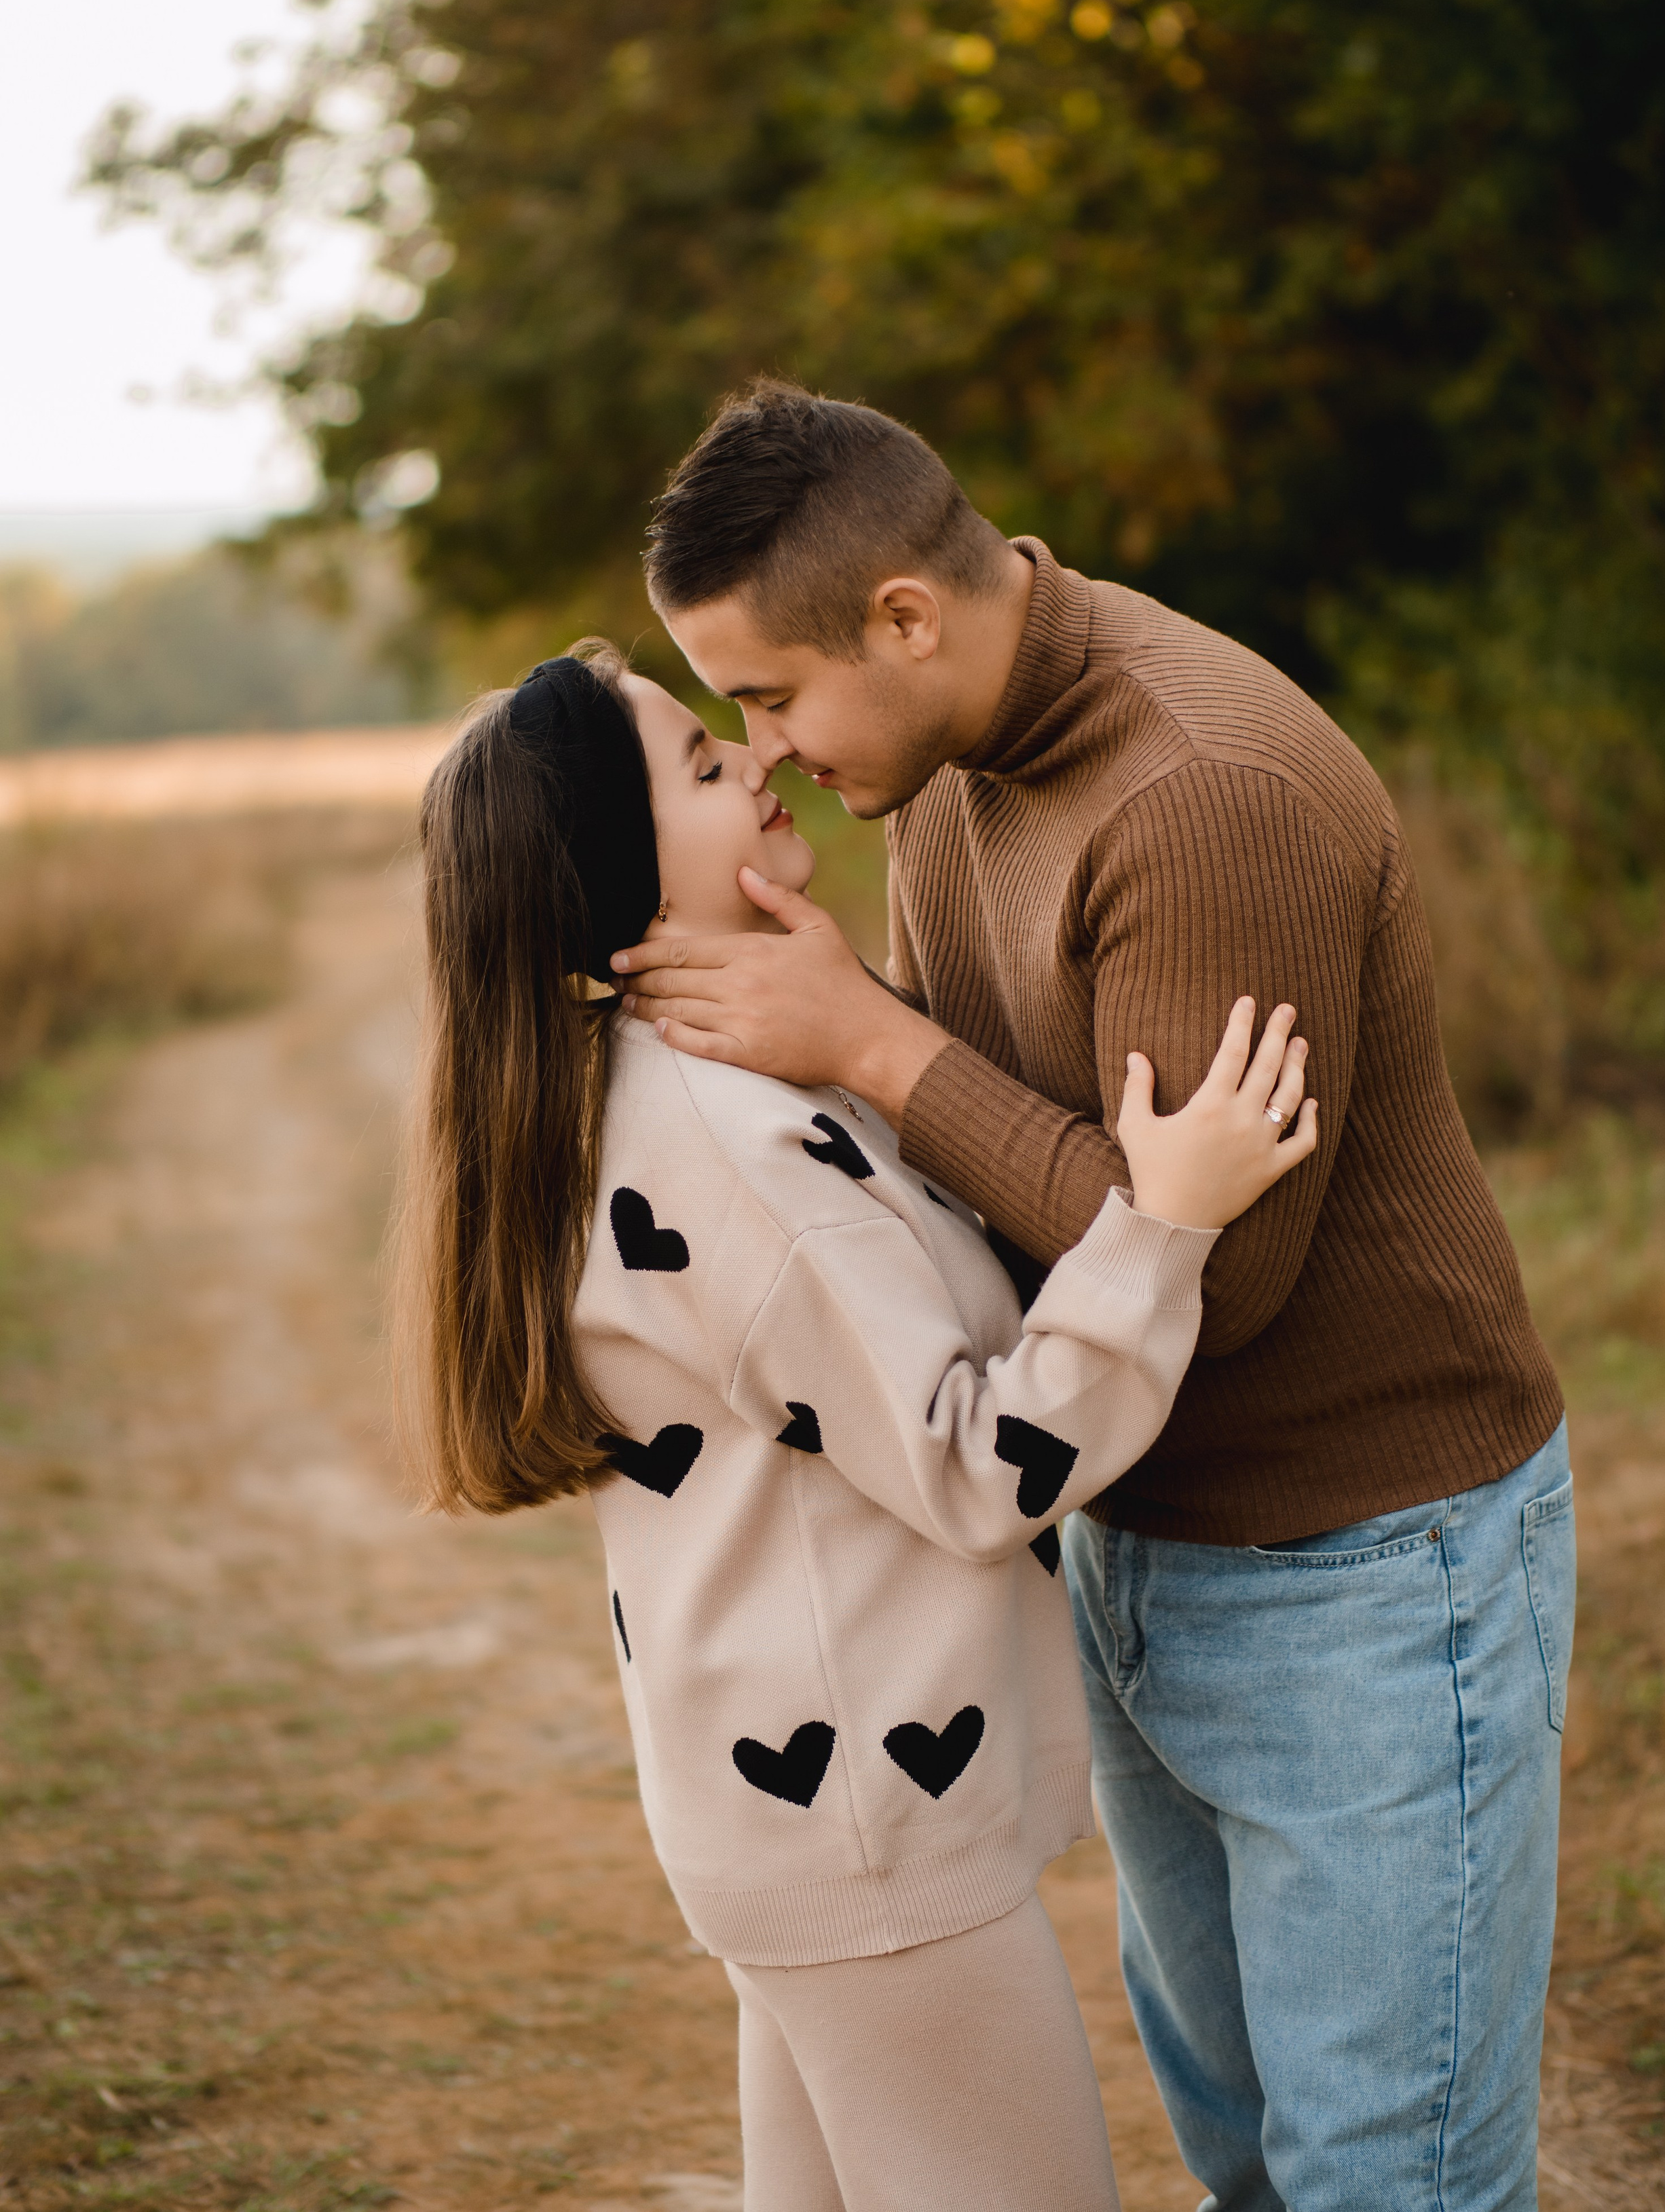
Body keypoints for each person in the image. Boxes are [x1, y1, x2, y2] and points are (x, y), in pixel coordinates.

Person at [614, 382, 1577, 2212]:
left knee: (1389, 2180)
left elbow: (1224, 1261)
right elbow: (1012, 1159)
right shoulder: (949, 749)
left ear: (905, 615)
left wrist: (877, 1043)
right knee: (1247, 2160)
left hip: (1361, 1566)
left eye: (771, 696)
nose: (776, 753)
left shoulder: (1198, 796)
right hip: (1135, 1532)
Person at [394, 641, 1318, 2212]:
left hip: (808, 1819)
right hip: (867, 1830)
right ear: (618, 877)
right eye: (699, 766)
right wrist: (1163, 1221)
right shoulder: (726, 1142)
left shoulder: (674, 1087)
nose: (754, 764)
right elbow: (977, 1465)